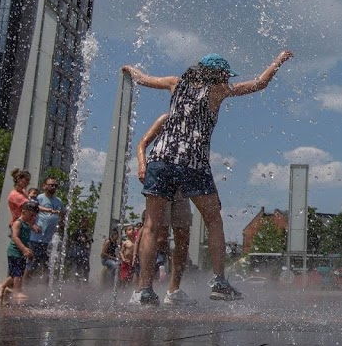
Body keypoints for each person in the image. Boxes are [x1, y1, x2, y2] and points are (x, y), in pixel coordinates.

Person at [123, 49, 293, 304]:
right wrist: (278, 60)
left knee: (151, 226)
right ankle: (219, 281)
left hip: (161, 159)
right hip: (193, 162)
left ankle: (145, 291)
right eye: (224, 74)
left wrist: (129, 69)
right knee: (213, 220)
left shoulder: (174, 83)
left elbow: (143, 78)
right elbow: (260, 83)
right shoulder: (219, 91)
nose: (227, 79)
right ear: (216, 74)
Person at [136, 114, 197, 304]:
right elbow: (142, 144)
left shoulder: (197, 124)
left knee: (183, 236)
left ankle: (173, 290)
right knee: (156, 232)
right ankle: (143, 289)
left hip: (181, 185)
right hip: (161, 179)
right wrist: (142, 165)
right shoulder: (166, 119)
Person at [0, 201, 39, 304]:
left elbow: (25, 240)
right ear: (24, 212)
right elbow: (15, 237)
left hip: (20, 251)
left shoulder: (28, 225)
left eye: (35, 215)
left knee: (16, 273)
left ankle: (2, 286)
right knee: (17, 273)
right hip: (14, 251)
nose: (33, 217)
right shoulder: (18, 223)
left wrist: (28, 249)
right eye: (32, 215)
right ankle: (16, 291)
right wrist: (24, 249)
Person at [26, 177, 64, 281]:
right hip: (36, 238)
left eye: (55, 185)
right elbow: (29, 212)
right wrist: (32, 224)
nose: (53, 187)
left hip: (49, 240)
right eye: (51, 185)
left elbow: (63, 214)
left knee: (47, 265)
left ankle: (45, 288)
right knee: (31, 263)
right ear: (44, 186)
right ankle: (24, 286)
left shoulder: (58, 201)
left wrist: (60, 225)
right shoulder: (39, 198)